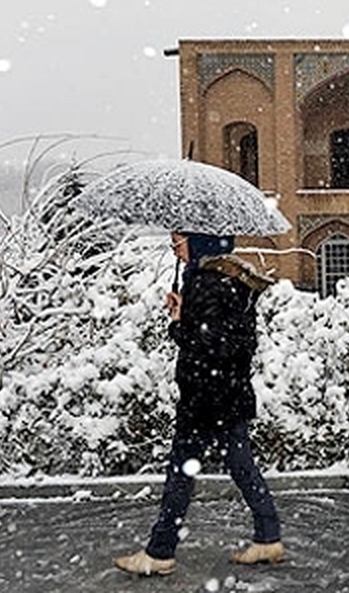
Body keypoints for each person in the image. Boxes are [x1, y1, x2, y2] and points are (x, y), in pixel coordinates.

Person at [114, 232, 283, 576]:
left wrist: (178, 324)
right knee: (240, 465)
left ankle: (160, 552)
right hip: (229, 395)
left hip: (206, 399)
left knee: (181, 473)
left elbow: (208, 346)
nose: (174, 247)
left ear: (200, 242)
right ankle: (268, 537)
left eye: (178, 240)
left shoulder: (208, 283)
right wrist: (184, 312)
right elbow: (234, 341)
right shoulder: (232, 281)